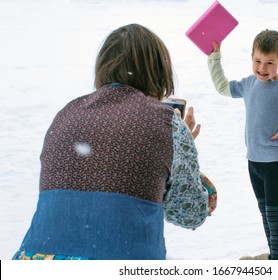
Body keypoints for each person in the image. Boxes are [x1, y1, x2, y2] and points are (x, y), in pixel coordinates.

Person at [12, 23, 216, 260]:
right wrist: (181, 152)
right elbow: (189, 213)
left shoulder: (66, 113)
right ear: (159, 72)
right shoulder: (167, 123)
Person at [208, 29, 278, 260]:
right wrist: (214, 58)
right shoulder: (249, 83)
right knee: (264, 212)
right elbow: (222, 88)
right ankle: (273, 256)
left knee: (274, 213)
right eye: (258, 61)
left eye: (270, 62)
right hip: (253, 161)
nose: (262, 67)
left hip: (275, 162)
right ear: (251, 58)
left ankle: (277, 261)